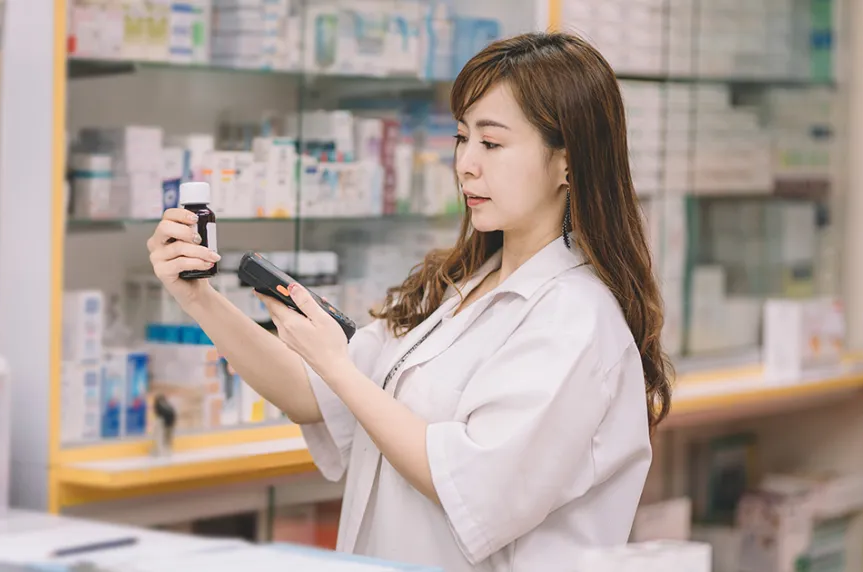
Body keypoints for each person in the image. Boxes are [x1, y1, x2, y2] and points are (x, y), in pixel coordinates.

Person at [147, 31, 672, 572]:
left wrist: (337, 366)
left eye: (491, 144)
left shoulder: (575, 319)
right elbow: (312, 396)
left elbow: (470, 487)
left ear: (568, 162)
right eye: (462, 138)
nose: (466, 164)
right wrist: (200, 298)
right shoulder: (462, 289)